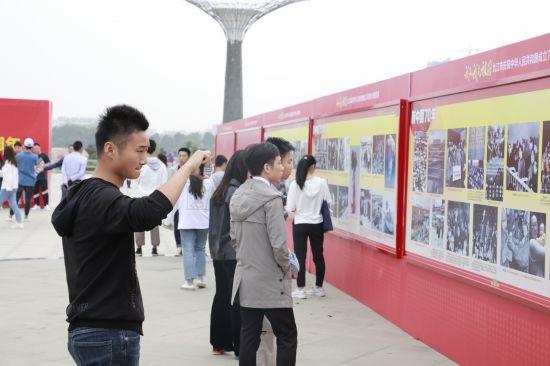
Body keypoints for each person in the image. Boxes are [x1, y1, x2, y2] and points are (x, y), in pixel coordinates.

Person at [51, 104, 209, 366]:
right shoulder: (101, 197)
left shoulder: (85, 193)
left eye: (146, 151)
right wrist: (187, 167)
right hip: (108, 332)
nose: (144, 159)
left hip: (92, 328)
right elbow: (147, 213)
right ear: (110, 149)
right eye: (139, 150)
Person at [230, 142, 297, 366]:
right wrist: (288, 268)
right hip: (271, 282)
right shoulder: (271, 198)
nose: (282, 168)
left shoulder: (239, 194)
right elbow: (279, 245)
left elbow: (234, 239)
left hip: (246, 279)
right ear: (266, 168)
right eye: (279, 163)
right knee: (287, 335)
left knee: (249, 336)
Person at [209, 150, 248, 357]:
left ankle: (218, 343)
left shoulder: (220, 190)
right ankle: (240, 346)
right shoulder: (236, 192)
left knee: (222, 295)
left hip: (217, 252)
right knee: (236, 300)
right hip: (232, 253)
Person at [286, 155, 331, 299]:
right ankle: (319, 287)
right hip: (317, 223)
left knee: (300, 256)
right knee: (318, 255)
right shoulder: (322, 183)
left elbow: (290, 207)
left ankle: (300, 289)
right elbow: (328, 201)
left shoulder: (295, 184)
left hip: (300, 223)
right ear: (312, 167)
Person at [175, 166, 215, 290]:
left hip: (187, 221)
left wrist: (167, 219)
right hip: (203, 221)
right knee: (200, 249)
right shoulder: (209, 182)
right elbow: (212, 198)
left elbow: (175, 201)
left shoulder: (183, 182)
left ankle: (189, 282)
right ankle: (200, 278)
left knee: (188, 250)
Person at [134, 139, 168, 256]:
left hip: (140, 197)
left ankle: (139, 248)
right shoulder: (162, 166)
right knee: (154, 224)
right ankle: (154, 248)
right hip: (155, 198)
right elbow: (164, 183)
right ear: (154, 149)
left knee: (138, 223)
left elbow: (135, 180)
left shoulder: (140, 163)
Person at [9, 137, 39, 221]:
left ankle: (11, 215)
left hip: (20, 180)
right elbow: (39, 166)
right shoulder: (35, 157)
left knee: (16, 198)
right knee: (28, 199)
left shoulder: (19, 155)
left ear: (24, 146)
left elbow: (13, 165)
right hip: (30, 181)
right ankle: (26, 216)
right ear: (32, 146)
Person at [170, 147, 191, 256]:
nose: (182, 158)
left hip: (188, 203)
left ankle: (187, 247)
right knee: (177, 224)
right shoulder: (174, 170)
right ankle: (179, 247)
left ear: (188, 157)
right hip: (177, 202)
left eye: (184, 156)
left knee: (186, 226)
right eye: (180, 156)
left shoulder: (192, 170)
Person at [1, 146, 24, 229]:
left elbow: (8, 177)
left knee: (12, 204)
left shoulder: (7, 163)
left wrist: (8, 188)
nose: (2, 152)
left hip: (7, 187)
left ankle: (19, 223)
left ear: (6, 153)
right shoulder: (13, 163)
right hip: (13, 187)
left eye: (3, 151)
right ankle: (19, 223)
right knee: (14, 205)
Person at [32, 143, 51, 210]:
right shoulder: (32, 156)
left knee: (44, 190)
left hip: (43, 176)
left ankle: (46, 205)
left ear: (39, 148)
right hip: (34, 176)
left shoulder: (44, 155)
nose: (35, 150)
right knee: (35, 191)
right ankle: (36, 204)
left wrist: (42, 166)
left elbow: (49, 163)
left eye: (37, 148)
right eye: (34, 148)